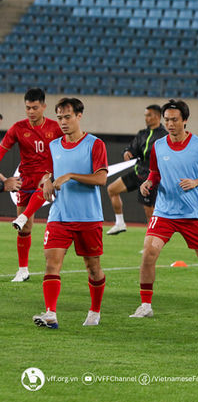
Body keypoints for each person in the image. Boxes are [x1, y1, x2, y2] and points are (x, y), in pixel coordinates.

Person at [129, 99, 198, 319]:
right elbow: (155, 173)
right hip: (165, 212)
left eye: (174, 119)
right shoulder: (159, 146)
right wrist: (148, 182)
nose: (170, 124)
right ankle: (146, 305)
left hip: (194, 214)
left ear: (185, 120)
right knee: (149, 253)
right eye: (167, 120)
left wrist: (196, 181)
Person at [31, 97, 108, 329]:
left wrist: (71, 175)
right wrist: (45, 181)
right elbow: (46, 173)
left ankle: (95, 312)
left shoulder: (95, 144)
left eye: (67, 117)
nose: (63, 122)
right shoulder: (54, 146)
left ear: (79, 116)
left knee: (93, 268)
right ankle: (50, 314)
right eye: (59, 118)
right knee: (51, 264)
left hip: (88, 218)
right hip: (59, 217)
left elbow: (102, 178)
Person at [0, 88, 63, 282]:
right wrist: (4, 180)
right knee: (25, 229)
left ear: (44, 107)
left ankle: (23, 216)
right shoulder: (18, 128)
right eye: (28, 108)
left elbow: (68, 147)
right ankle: (23, 270)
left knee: (43, 184)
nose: (31, 111)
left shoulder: (56, 128)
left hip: (48, 177)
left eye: (35, 107)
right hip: (25, 180)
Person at [106, 104, 167, 235]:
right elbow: (133, 148)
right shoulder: (142, 134)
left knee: (149, 211)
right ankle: (120, 223)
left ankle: (152, 241)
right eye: (145, 115)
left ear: (157, 116)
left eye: (149, 115)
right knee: (112, 189)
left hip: (151, 177)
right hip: (138, 172)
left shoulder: (164, 136)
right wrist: (127, 151)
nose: (146, 118)